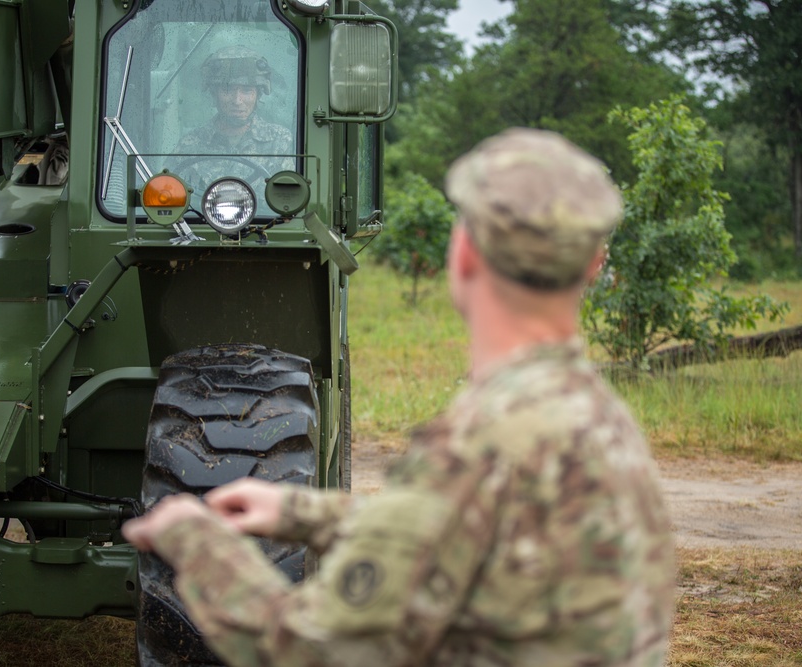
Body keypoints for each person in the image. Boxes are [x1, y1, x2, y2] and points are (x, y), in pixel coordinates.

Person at [124, 128, 676, 666]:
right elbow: (460, 530)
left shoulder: (481, 443)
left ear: (463, 256)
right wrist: (303, 512)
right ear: (593, 264)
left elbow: (306, 649)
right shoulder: (598, 419)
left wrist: (195, 544)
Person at [174, 45, 293, 181]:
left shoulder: (278, 142)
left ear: (258, 95)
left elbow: (290, 196)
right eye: (227, 90)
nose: (237, 100)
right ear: (214, 94)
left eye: (247, 90)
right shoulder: (190, 145)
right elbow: (168, 193)